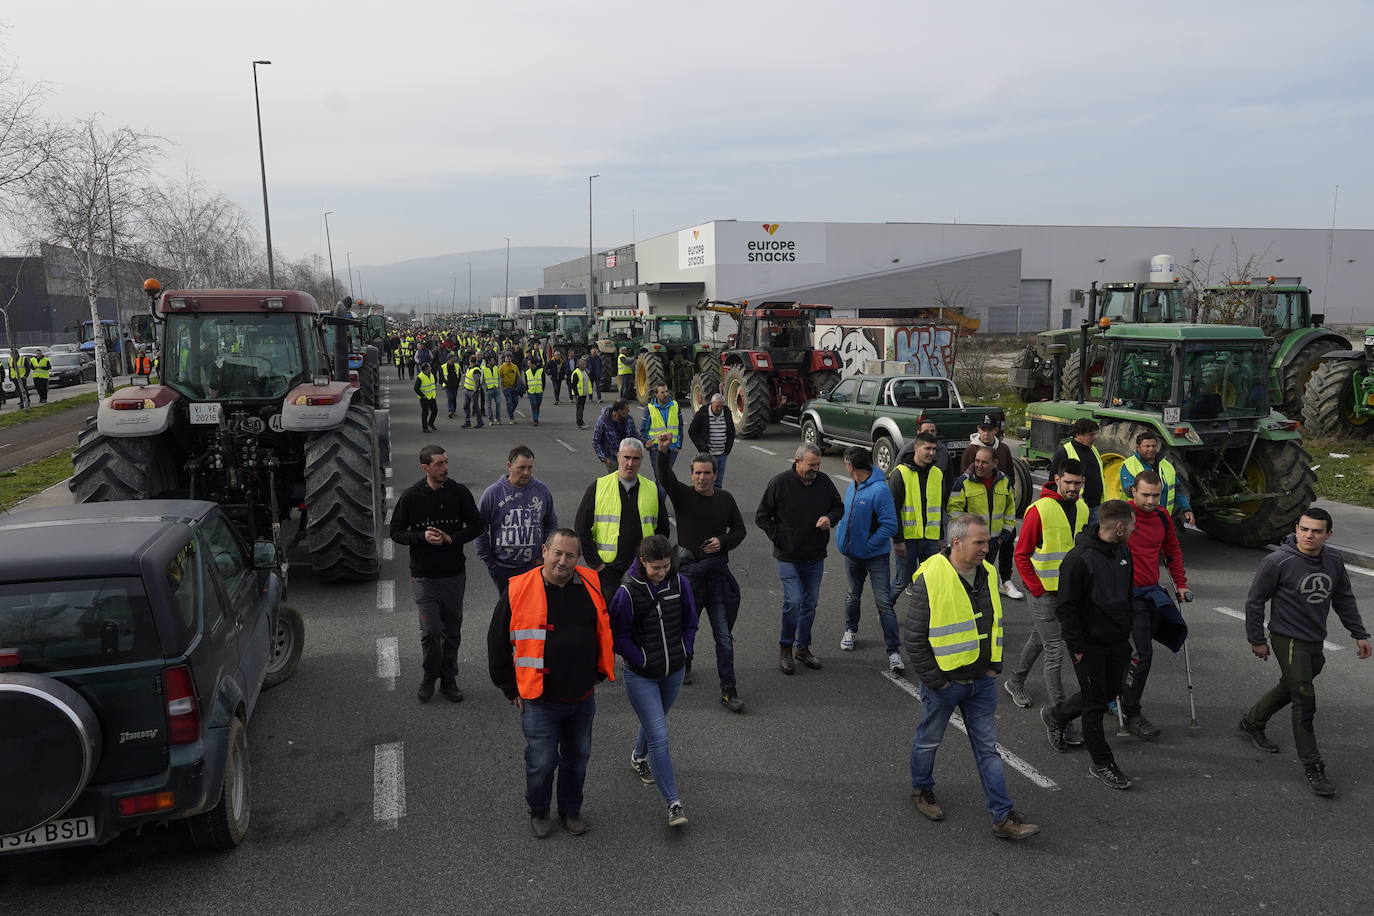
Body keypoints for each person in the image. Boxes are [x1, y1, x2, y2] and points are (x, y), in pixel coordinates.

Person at [902, 514, 1039, 840]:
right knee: (929, 740)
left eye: (987, 542)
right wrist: (937, 682)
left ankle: (1003, 817)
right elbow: (914, 638)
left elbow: (993, 622)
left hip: (981, 682)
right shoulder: (931, 576)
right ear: (957, 542)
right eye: (979, 542)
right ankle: (922, 790)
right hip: (944, 684)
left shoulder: (989, 572)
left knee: (988, 749)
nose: (986, 548)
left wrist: (994, 665)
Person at [487, 529, 615, 838]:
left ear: (578, 558)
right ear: (544, 551)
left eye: (570, 555)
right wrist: (509, 687)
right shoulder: (519, 589)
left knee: (578, 757)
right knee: (542, 762)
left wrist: (598, 672)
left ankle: (571, 809)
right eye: (557, 553)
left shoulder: (591, 584)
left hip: (582, 696)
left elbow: (603, 628)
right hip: (540, 698)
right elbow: (497, 641)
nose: (563, 561)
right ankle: (540, 809)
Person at [1240, 508, 1371, 797]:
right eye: (1304, 529)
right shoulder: (1277, 561)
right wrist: (1257, 639)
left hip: (1314, 640)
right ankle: (1313, 766)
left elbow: (1343, 598)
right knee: (1304, 697)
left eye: (1317, 531)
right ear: (1296, 529)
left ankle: (1252, 722)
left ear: (1328, 534)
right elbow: (1255, 602)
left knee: (1290, 686)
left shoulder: (1334, 561)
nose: (1309, 535)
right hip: (1287, 638)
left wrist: (1359, 633)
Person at [1040, 499, 1137, 790]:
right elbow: (1066, 607)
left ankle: (1056, 715)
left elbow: (1127, 593)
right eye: (1132, 525)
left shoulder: (1124, 552)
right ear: (1119, 527)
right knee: (1095, 702)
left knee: (1110, 691)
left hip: (1118, 639)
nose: (1134, 529)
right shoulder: (1078, 560)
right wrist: (1077, 646)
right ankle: (1102, 762)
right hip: (1089, 644)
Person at [609, 534, 699, 828]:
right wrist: (642, 660)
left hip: (673, 671)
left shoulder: (680, 583)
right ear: (642, 562)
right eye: (656, 567)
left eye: (666, 566)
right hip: (641, 676)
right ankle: (674, 803)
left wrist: (685, 649)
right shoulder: (626, 591)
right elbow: (618, 635)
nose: (661, 572)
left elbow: (690, 620)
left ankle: (637, 757)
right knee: (659, 736)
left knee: (655, 722)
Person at [655, 436, 748, 711]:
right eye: (697, 473)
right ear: (691, 475)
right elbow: (665, 476)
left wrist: (723, 541)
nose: (702, 478)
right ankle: (687, 661)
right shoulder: (683, 496)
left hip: (717, 578)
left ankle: (728, 690)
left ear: (715, 474)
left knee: (723, 637)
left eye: (707, 473)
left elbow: (740, 530)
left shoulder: (725, 499)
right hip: (689, 578)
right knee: (686, 628)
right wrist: (662, 452)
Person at [389, 445, 484, 703]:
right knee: (431, 631)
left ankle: (449, 679)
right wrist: (421, 537)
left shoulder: (459, 493)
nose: (445, 468)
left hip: (453, 574)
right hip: (424, 576)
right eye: (439, 464)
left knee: (451, 631)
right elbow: (396, 531)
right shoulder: (411, 497)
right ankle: (430, 676)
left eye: (446, 462)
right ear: (425, 468)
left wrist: (451, 539)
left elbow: (477, 525)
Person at [1005, 462, 1088, 725]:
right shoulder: (1039, 510)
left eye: (1078, 483)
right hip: (1044, 592)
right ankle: (1060, 715)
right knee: (1055, 649)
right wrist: (1037, 589)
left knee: (1040, 639)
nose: (1073, 488)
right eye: (1069, 483)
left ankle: (1015, 681)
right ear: (1057, 479)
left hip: (1070, 594)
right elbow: (1021, 554)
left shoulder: (1083, 508)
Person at [756, 442, 845, 675]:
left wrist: (829, 518)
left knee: (810, 603)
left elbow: (838, 507)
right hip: (788, 556)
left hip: (815, 556)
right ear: (798, 462)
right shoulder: (779, 483)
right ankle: (786, 647)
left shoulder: (824, 482)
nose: (816, 469)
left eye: (818, 465)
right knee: (793, 601)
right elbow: (762, 517)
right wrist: (781, 539)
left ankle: (803, 648)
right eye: (811, 465)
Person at [1119, 470, 1191, 740]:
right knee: (1142, 654)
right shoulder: (1122, 515)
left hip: (1151, 594)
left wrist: (1181, 583)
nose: (1151, 500)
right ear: (1133, 492)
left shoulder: (1162, 517)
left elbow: (1172, 550)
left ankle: (1118, 696)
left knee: (1136, 651)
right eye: (1146, 495)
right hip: (1125, 597)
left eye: (1156, 495)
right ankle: (1131, 712)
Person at [574, 437, 671, 600]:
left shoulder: (652, 489)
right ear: (618, 457)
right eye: (626, 457)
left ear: (641, 460)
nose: (630, 463)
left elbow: (663, 529)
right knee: (610, 619)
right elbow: (581, 527)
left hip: (642, 570)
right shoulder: (598, 487)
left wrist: (653, 560)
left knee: (640, 619)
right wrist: (596, 564)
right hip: (608, 571)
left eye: (635, 458)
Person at [836, 446, 903, 672]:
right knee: (852, 595)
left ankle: (894, 652)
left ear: (851, 466)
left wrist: (868, 546)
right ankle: (850, 630)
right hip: (852, 555)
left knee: (884, 603)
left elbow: (890, 525)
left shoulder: (880, 491)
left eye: (845, 463)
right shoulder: (852, 485)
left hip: (875, 558)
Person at [477, 446, 560, 594]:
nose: (526, 472)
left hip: (532, 566)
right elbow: (479, 529)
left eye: (530, 467)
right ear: (509, 466)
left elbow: (551, 525)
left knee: (532, 608)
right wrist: (489, 561)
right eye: (521, 467)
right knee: (507, 609)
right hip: (502, 568)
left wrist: (544, 557)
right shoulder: (493, 493)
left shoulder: (542, 490)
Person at [948, 445, 1020, 599]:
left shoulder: (1005, 482)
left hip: (995, 541)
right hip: (970, 542)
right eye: (977, 461)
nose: (979, 465)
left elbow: (1010, 511)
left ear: (995, 463)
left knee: (983, 577)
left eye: (984, 462)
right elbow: (954, 512)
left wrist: (1004, 536)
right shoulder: (962, 482)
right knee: (966, 579)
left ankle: (981, 609)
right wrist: (964, 537)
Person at [888, 431, 947, 597]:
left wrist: (941, 537)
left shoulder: (937, 473)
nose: (931, 453)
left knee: (931, 583)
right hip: (908, 540)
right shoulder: (899, 473)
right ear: (916, 448)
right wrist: (897, 540)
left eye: (934, 449)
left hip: (931, 540)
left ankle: (927, 618)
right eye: (927, 448)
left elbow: (939, 508)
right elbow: (893, 510)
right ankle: (885, 612)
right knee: (902, 582)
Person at [1120, 431, 1195, 525]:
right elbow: (1129, 491)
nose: (1151, 449)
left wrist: (1186, 509)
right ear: (1137, 448)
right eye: (1147, 446)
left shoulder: (1167, 465)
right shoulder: (1129, 465)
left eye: (1154, 446)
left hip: (1163, 519)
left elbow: (1177, 489)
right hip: (1138, 520)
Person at [1048, 419, 1103, 525]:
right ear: (1078, 435)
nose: (1094, 438)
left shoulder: (1093, 449)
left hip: (1095, 507)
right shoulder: (1064, 452)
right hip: (1075, 507)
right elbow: (1053, 482)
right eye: (1091, 435)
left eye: (1095, 434)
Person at [687, 392, 734, 488]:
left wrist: (727, 449)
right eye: (717, 406)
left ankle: (716, 502)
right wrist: (702, 447)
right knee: (705, 483)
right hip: (708, 455)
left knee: (718, 483)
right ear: (711, 404)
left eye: (721, 406)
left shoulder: (726, 413)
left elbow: (731, 432)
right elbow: (692, 431)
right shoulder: (702, 413)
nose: (719, 409)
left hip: (722, 454)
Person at [640, 383, 682, 482]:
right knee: (660, 478)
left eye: (667, 391)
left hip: (672, 448)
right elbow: (643, 430)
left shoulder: (675, 405)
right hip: (656, 449)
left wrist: (678, 446)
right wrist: (646, 443)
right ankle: (658, 497)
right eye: (662, 392)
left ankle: (657, 497)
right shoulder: (649, 409)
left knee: (665, 478)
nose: (666, 394)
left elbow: (680, 427)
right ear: (656, 394)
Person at [593, 399, 641, 473]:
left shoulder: (628, 419)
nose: (628, 412)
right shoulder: (602, 422)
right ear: (619, 411)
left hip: (627, 457)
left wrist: (644, 442)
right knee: (615, 482)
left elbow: (634, 434)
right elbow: (596, 441)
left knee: (627, 480)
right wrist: (604, 458)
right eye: (626, 410)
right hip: (612, 459)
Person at [414, 361, 439, 433]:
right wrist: (422, 396)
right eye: (429, 367)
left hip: (431, 397)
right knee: (425, 413)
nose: (431, 368)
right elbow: (416, 388)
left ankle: (430, 423)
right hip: (424, 398)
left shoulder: (431, 374)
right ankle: (425, 427)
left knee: (435, 410)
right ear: (426, 369)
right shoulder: (420, 377)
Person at [569, 358, 594, 429]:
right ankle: (579, 423)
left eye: (585, 364)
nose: (585, 365)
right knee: (579, 409)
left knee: (581, 409)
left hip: (583, 393)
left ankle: (581, 422)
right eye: (583, 364)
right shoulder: (576, 373)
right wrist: (576, 394)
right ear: (579, 365)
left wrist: (589, 393)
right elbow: (573, 385)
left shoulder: (583, 372)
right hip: (579, 394)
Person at [462, 355, 485, 429]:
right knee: (466, 406)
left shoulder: (476, 370)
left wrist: (475, 390)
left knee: (475, 407)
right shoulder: (470, 368)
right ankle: (467, 422)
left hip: (472, 391)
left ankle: (480, 422)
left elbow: (477, 382)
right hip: (467, 389)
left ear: (470, 361)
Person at [500, 352, 521, 424]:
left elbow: (518, 376)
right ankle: (511, 418)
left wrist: (520, 385)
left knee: (515, 401)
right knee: (509, 401)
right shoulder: (502, 367)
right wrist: (500, 386)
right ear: (505, 359)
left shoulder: (515, 366)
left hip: (514, 387)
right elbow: (499, 377)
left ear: (511, 359)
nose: (508, 361)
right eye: (507, 359)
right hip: (506, 387)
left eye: (509, 359)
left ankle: (510, 411)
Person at [523, 357, 546, 426]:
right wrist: (527, 389)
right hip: (531, 391)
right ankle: (535, 420)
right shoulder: (527, 372)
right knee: (534, 405)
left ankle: (536, 418)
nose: (528, 364)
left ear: (533, 363)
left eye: (529, 363)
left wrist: (542, 389)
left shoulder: (541, 371)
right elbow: (526, 382)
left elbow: (543, 381)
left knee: (537, 405)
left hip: (539, 391)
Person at [483, 353, 503, 425]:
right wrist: (485, 387)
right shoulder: (484, 369)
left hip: (496, 389)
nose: (494, 361)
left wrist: (499, 385)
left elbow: (499, 377)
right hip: (488, 390)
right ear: (488, 361)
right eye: (492, 360)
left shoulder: (496, 368)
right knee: (489, 406)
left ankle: (498, 419)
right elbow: (482, 380)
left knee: (498, 403)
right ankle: (490, 419)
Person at [441, 352, 463, 419]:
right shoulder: (443, 366)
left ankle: (453, 411)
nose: (454, 358)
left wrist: (458, 382)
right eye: (453, 357)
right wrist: (445, 382)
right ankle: (450, 411)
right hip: (448, 385)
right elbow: (441, 376)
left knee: (454, 398)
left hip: (455, 385)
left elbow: (459, 375)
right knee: (450, 397)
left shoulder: (457, 365)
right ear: (449, 359)